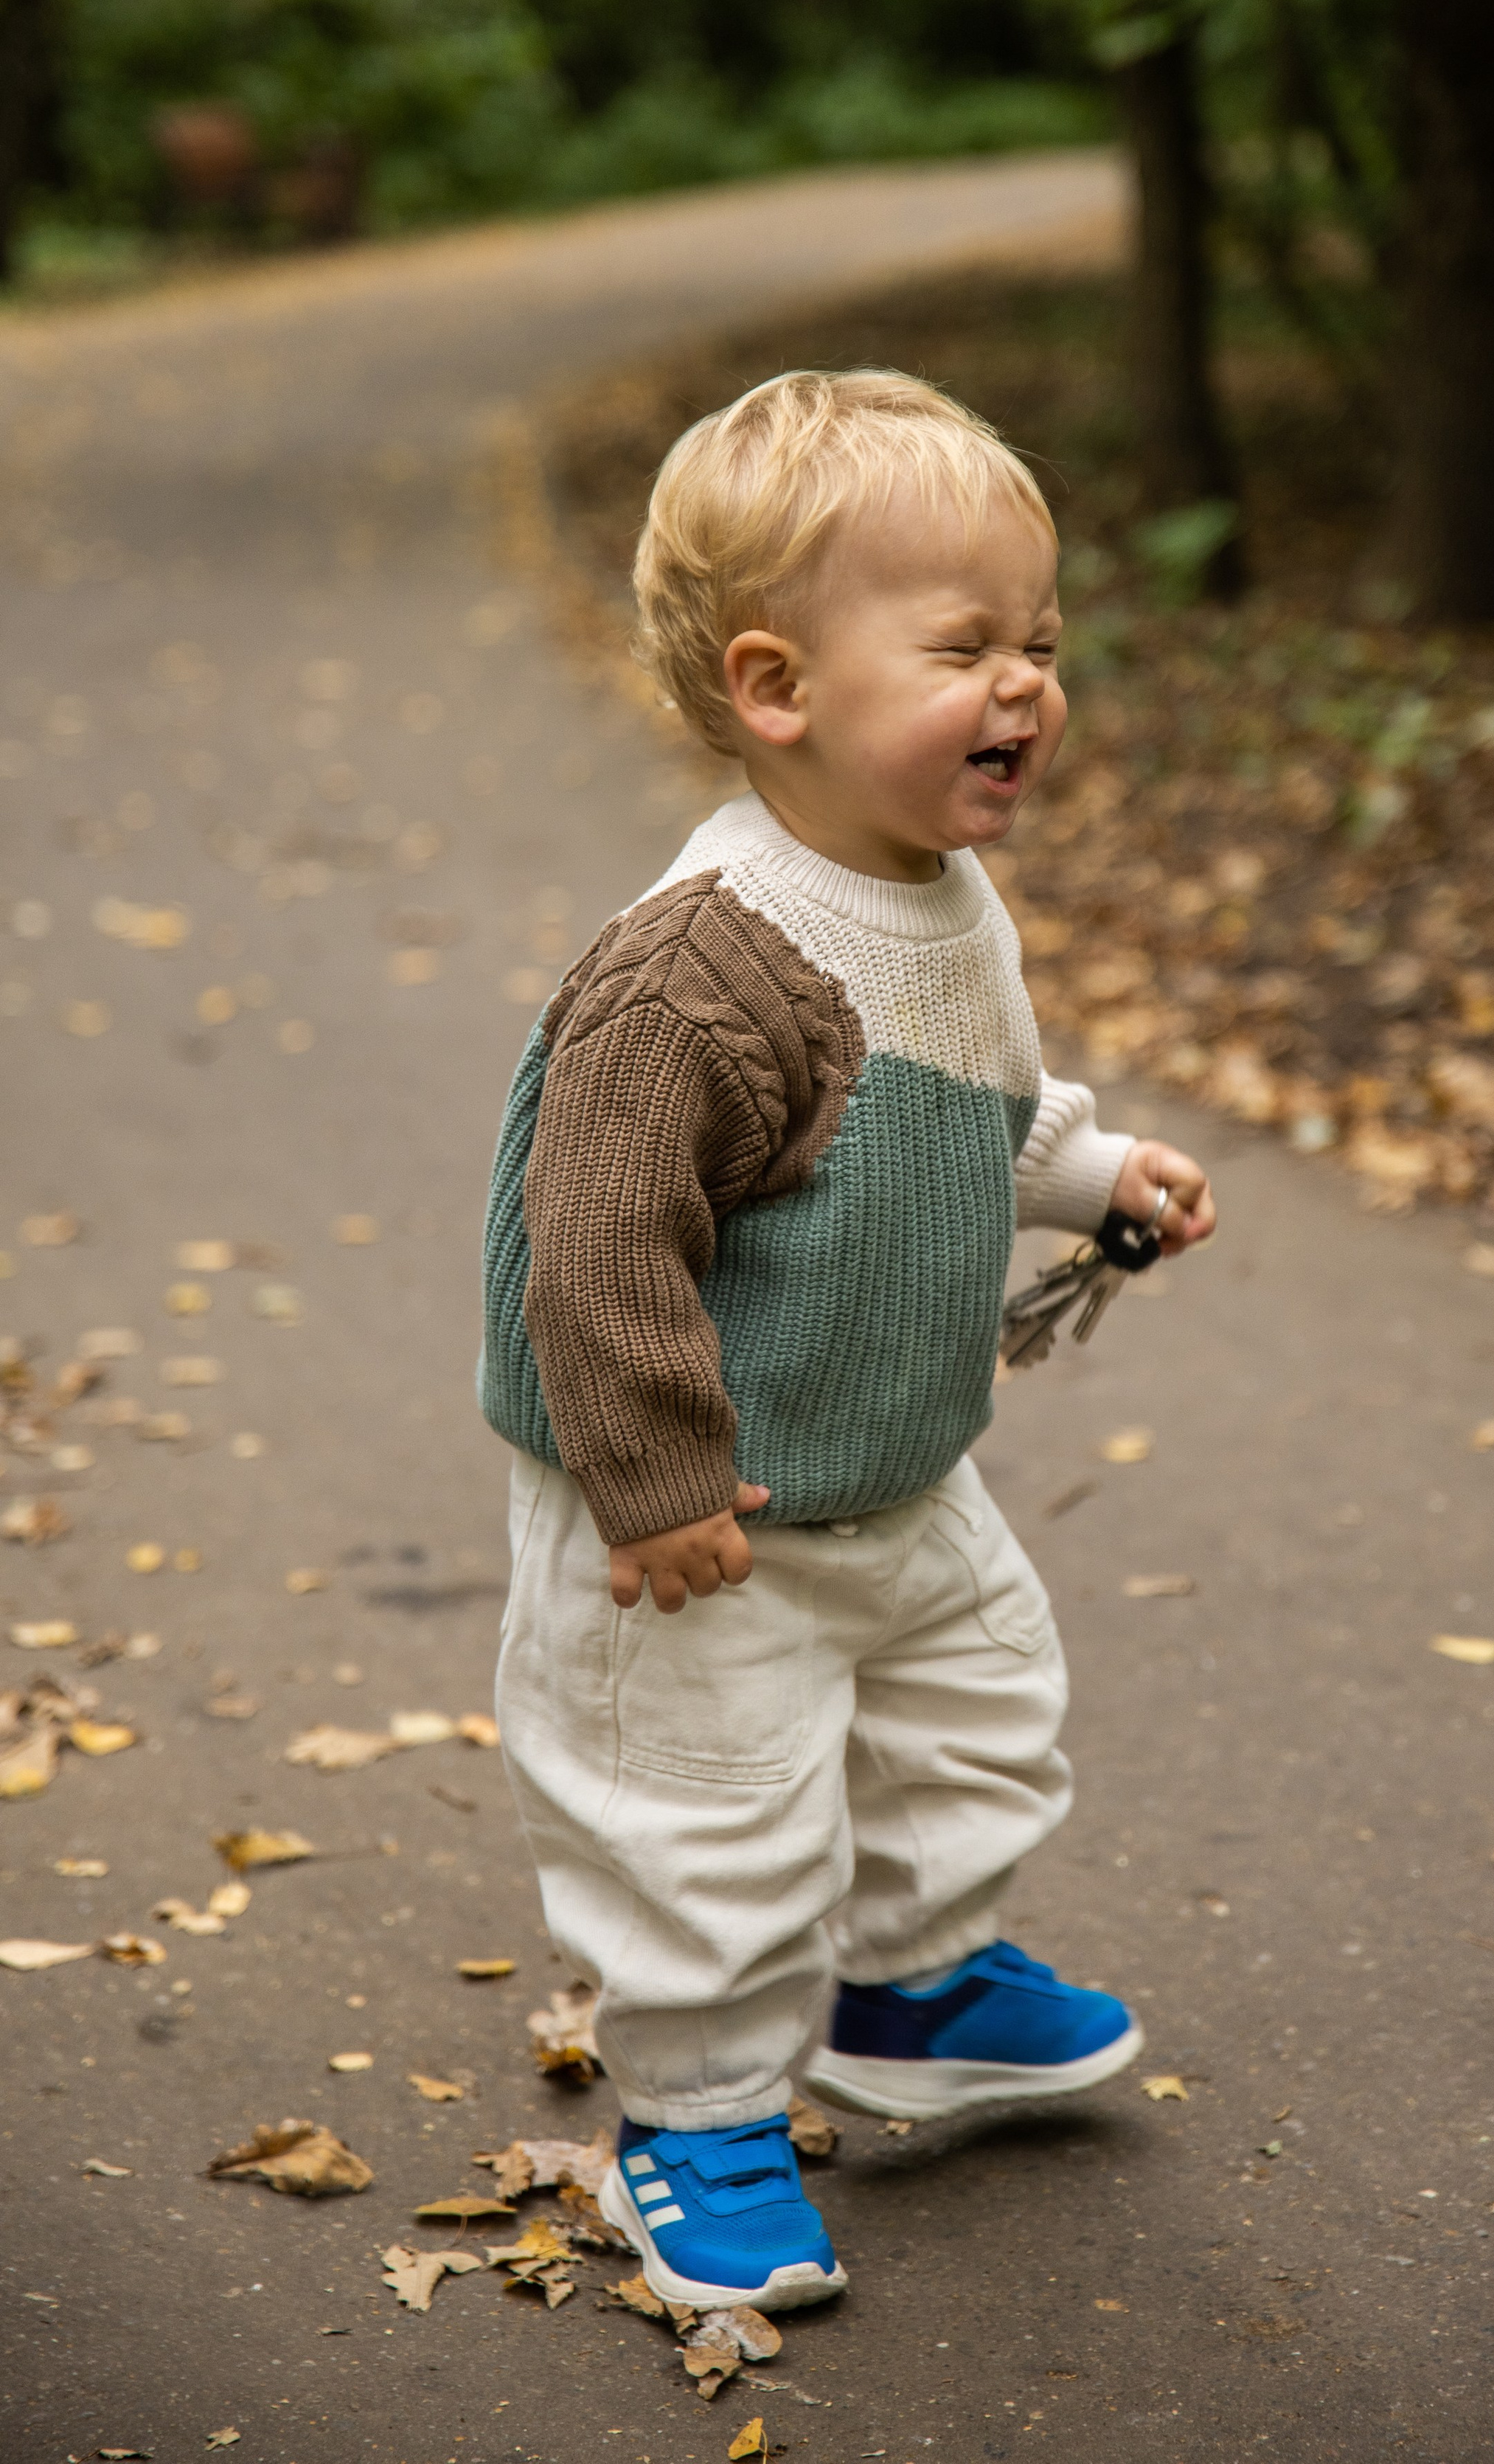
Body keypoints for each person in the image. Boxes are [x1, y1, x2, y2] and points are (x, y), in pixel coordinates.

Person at [480, 368, 1216, 2313]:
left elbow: (967, 1104)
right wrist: (644, 1482)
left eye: (1042, 642)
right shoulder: (704, 963)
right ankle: (696, 2122)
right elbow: (596, 1243)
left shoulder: (946, 898)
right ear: (777, 687)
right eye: (965, 645)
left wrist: (1095, 1169)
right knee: (707, 1825)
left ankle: (912, 1989)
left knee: (977, 1716)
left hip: (888, 1460)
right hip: (695, 1499)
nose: (1028, 683)